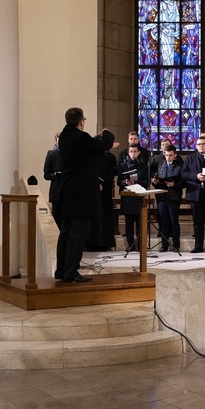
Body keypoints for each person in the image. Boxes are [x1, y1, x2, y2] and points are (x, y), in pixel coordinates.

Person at [55, 107, 115, 283]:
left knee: (66, 233)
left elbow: (88, 146)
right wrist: (106, 133)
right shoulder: (80, 138)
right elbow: (105, 144)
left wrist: (94, 138)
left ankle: (61, 270)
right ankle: (71, 272)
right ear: (81, 121)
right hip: (80, 196)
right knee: (77, 234)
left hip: (67, 194)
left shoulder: (65, 136)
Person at [151, 144, 183, 252]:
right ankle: (164, 245)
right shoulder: (160, 165)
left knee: (174, 221)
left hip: (173, 197)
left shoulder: (180, 165)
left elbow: (183, 182)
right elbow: (157, 179)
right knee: (163, 222)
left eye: (170, 155)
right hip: (161, 196)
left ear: (175, 155)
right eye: (166, 155)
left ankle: (176, 245)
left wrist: (174, 184)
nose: (168, 157)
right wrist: (154, 182)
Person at [117, 145, 149, 252]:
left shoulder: (144, 165)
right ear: (128, 153)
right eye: (131, 151)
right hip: (128, 197)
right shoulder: (122, 166)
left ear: (139, 153)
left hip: (139, 197)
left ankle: (141, 245)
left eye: (135, 151)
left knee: (140, 224)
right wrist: (125, 182)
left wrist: (136, 182)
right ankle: (130, 245)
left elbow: (146, 182)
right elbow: (119, 182)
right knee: (128, 224)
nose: (133, 154)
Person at [85, 148, 117, 251]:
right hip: (92, 191)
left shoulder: (110, 157)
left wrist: (103, 183)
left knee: (105, 215)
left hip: (105, 191)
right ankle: (91, 243)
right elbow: (87, 172)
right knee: (93, 216)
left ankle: (104, 243)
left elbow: (112, 172)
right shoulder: (89, 157)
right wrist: (95, 183)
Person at [43, 132, 63, 229]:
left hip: (68, 192)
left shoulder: (70, 154)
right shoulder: (51, 154)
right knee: (57, 219)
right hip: (57, 192)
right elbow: (46, 174)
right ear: (56, 141)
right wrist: (56, 174)